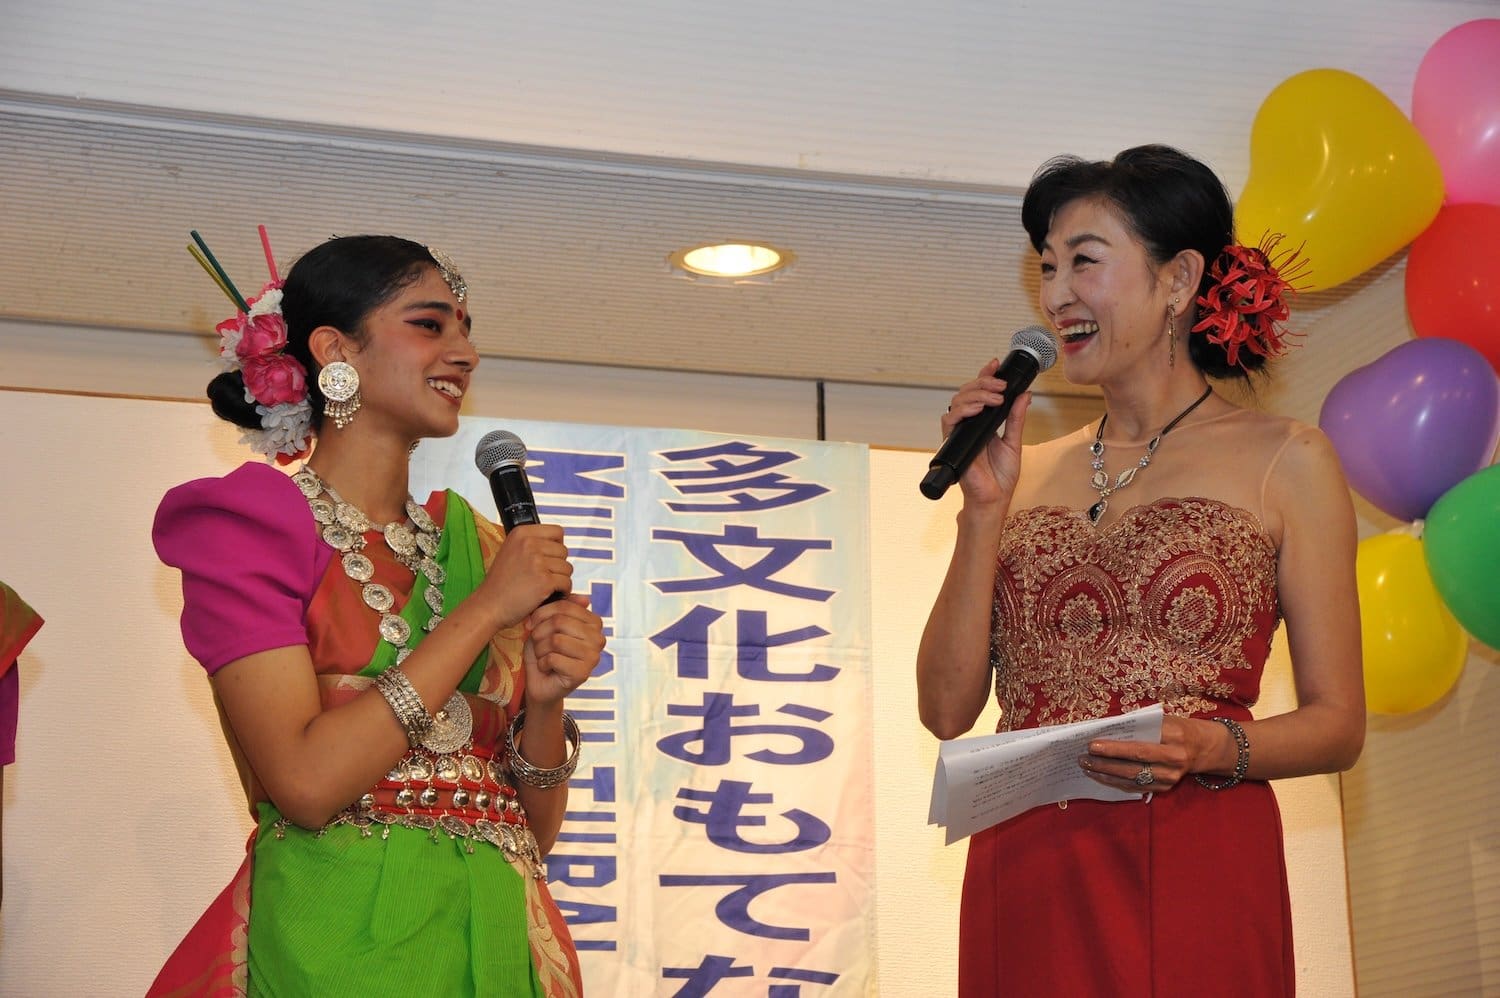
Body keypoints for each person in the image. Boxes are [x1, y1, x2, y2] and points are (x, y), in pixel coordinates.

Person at [916, 145, 1365, 996]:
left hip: (1199, 844)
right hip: (1028, 860)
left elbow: (1339, 723)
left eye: (1084, 261)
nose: (1054, 296)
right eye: (1046, 268)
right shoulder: (1021, 472)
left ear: (1178, 279)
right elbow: (944, 709)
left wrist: (1210, 744)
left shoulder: (1286, 459)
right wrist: (981, 511)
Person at [152, 234, 605, 996]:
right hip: (342, 934)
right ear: (336, 348)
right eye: (431, 325)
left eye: (466, 328)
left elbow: (530, 834)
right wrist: (490, 608)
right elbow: (304, 782)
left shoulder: (480, 542)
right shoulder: (249, 522)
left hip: (497, 933)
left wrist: (547, 699)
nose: (465, 353)